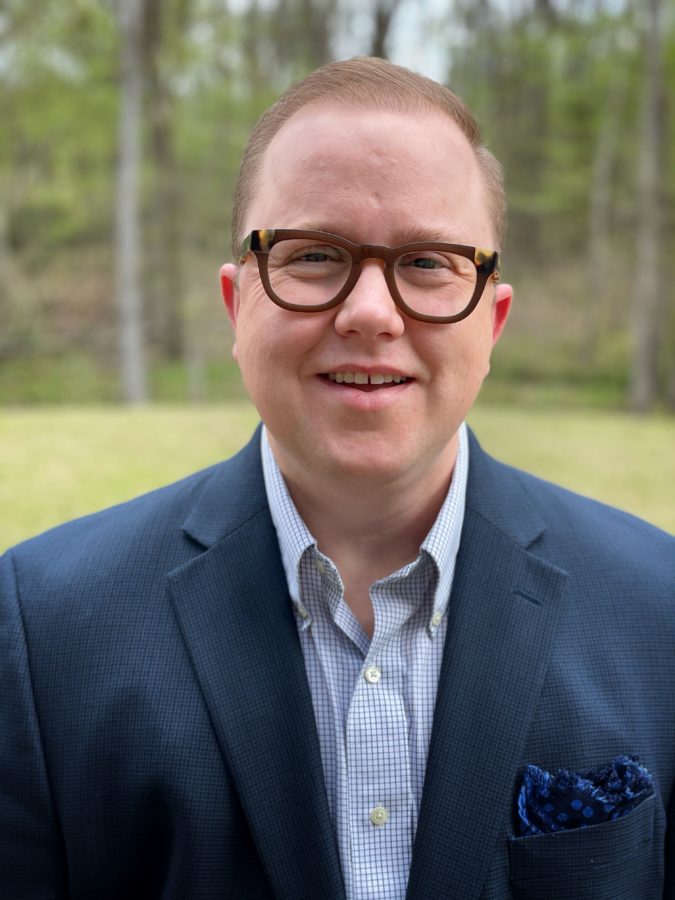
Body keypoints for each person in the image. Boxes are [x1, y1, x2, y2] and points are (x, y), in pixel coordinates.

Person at [1, 56, 673, 900]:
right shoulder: (40, 628)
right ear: (236, 304)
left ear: (492, 320)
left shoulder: (660, 610)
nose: (368, 313)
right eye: (315, 254)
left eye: (426, 262)